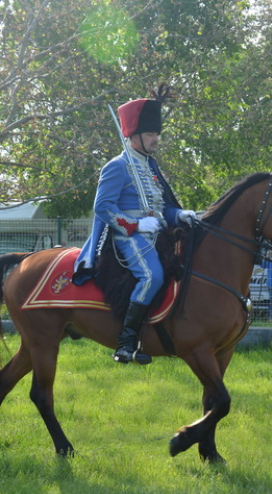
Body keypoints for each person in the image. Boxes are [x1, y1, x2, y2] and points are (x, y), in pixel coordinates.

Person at [73, 92, 196, 365]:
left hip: (158, 234)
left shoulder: (151, 169)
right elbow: (103, 207)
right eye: (151, 133)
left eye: (156, 133)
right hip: (127, 236)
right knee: (152, 276)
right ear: (135, 135)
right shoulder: (117, 167)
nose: (156, 139)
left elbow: (163, 208)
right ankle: (126, 342)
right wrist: (136, 224)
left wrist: (180, 214)